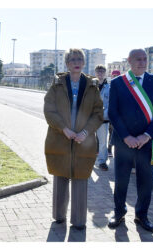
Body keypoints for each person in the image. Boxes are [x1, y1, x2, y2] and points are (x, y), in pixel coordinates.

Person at [107, 49, 153, 233]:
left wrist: (146, 135)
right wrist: (127, 136)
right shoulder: (118, 83)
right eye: (138, 59)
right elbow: (113, 113)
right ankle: (119, 212)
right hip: (124, 141)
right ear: (129, 61)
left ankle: (142, 215)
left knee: (146, 181)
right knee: (121, 179)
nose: (142, 62)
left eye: (144, 59)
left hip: (147, 142)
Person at [44, 48, 103, 230]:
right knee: (60, 176)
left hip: (83, 141)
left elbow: (98, 113)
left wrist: (85, 132)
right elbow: (49, 109)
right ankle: (59, 216)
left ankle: (78, 221)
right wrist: (64, 129)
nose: (76, 62)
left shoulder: (92, 85)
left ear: (84, 63)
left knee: (80, 178)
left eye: (79, 59)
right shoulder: (57, 83)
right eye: (72, 59)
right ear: (67, 63)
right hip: (60, 138)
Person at [94, 65, 110, 171]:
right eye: (98, 72)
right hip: (90, 118)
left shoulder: (110, 87)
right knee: (87, 141)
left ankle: (102, 162)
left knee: (103, 142)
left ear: (105, 73)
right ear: (95, 73)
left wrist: (104, 115)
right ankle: (87, 160)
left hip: (103, 119)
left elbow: (111, 104)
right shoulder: (90, 86)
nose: (100, 74)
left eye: (102, 72)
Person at [107, 70, 121, 158]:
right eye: (114, 75)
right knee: (111, 132)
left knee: (117, 134)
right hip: (110, 114)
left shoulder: (122, 87)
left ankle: (117, 151)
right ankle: (109, 149)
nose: (115, 76)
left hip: (119, 115)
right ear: (111, 76)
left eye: (117, 75)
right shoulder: (108, 87)